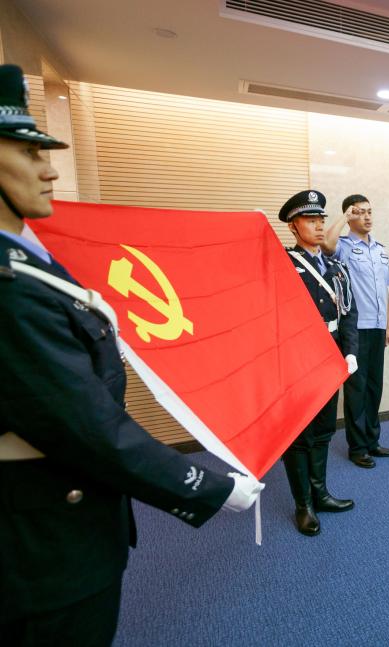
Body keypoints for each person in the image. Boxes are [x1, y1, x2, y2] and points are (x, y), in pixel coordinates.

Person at [0, 64, 263, 645]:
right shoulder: (8, 285)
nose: (50, 169)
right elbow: (85, 426)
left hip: (65, 524)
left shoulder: (25, 262)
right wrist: (208, 486)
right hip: (45, 552)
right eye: (28, 152)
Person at [278, 190, 360, 535]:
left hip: (330, 355)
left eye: (321, 219)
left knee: (325, 428)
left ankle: (320, 493)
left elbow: (349, 313)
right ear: (293, 227)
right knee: (299, 433)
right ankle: (304, 505)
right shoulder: (283, 264)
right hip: (297, 360)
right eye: (310, 220)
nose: (318, 225)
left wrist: (350, 351)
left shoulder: (337, 267)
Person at [322, 194, 389, 468]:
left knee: (374, 387)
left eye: (369, 211)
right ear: (351, 216)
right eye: (360, 212)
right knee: (356, 389)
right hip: (355, 329)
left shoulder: (380, 250)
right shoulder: (343, 247)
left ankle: (373, 441)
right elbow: (326, 244)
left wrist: (388, 326)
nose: (366, 217)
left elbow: (385, 291)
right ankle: (358, 448)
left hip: (377, 327)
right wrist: (344, 216)